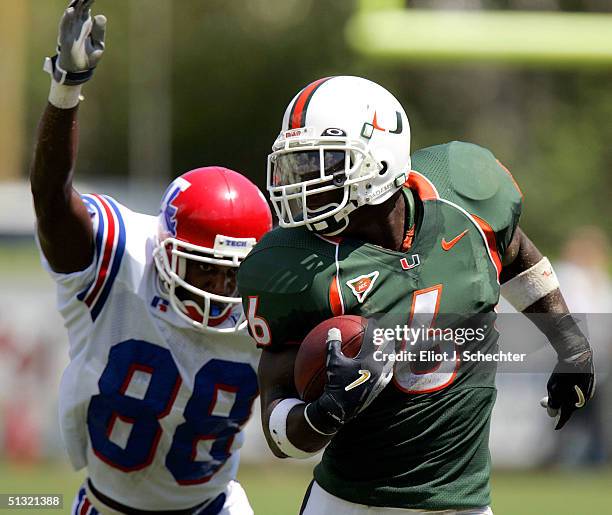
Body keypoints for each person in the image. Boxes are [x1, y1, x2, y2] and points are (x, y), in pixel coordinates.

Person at [237, 76, 595, 514]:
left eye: (321, 165)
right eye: (297, 166)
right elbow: (278, 423)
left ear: (380, 160)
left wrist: (571, 345)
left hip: (463, 503)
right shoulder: (298, 266)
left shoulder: (465, 198)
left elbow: (515, 249)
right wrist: (322, 413)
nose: (302, 185)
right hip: (349, 503)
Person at [30, 2, 272, 513]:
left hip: (216, 505)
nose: (218, 288)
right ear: (163, 249)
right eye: (203, 265)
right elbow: (53, 202)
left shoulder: (271, 300)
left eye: (233, 273)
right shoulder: (120, 261)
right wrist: (65, 90)